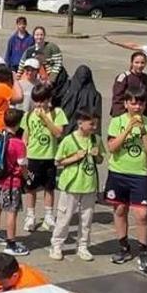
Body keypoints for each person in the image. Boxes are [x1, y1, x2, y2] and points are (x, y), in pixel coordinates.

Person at [105, 87, 147, 269]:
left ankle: (144, 250)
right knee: (119, 210)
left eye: (140, 103)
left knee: (142, 214)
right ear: (126, 104)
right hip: (118, 172)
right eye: (133, 103)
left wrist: (142, 131)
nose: (137, 107)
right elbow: (112, 147)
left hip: (139, 174)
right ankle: (123, 246)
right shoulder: (117, 121)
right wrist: (127, 129)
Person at [50, 109, 104, 262]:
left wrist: (97, 155)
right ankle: (57, 245)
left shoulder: (96, 140)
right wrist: (75, 157)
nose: (94, 127)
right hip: (71, 184)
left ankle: (83, 246)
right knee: (64, 217)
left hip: (89, 185)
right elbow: (58, 161)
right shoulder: (69, 140)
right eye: (91, 124)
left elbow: (100, 160)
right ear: (80, 123)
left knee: (87, 218)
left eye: (96, 124)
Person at [20, 84, 67, 233]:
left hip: (50, 156)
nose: (39, 105)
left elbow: (58, 133)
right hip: (33, 156)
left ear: (49, 100)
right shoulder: (28, 115)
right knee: (30, 188)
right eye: (36, 101)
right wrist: (22, 155)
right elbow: (25, 136)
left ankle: (48, 215)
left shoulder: (57, 113)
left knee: (49, 187)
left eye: (42, 101)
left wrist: (46, 119)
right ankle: (30, 216)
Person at [0, 108, 29, 256]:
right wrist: (27, 177)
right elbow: (22, 165)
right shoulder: (18, 143)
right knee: (11, 212)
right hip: (12, 182)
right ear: (18, 123)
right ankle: (11, 244)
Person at [110, 51, 147, 117]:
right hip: (125, 114)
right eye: (136, 62)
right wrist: (121, 117)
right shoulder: (124, 77)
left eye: (142, 63)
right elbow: (117, 99)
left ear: (146, 64)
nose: (139, 65)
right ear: (131, 63)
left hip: (143, 115)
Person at [60, 65, 102, 136]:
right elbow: (97, 117)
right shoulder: (96, 95)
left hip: (68, 132)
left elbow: (65, 112)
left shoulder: (69, 91)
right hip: (87, 132)